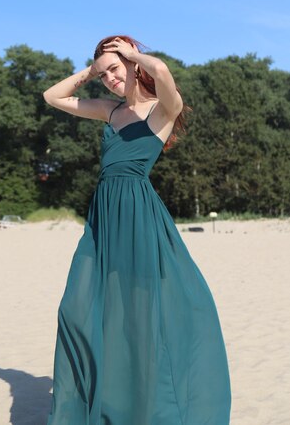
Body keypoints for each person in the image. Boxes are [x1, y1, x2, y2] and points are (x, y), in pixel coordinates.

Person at [43, 35, 231, 425]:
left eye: (116, 69)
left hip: (139, 216)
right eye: (104, 73)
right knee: (76, 309)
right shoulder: (110, 112)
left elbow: (162, 72)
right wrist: (90, 71)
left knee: (140, 314)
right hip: (102, 219)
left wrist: (130, 54)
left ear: (133, 64)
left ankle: (147, 408)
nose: (110, 77)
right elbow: (52, 97)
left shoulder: (163, 108)